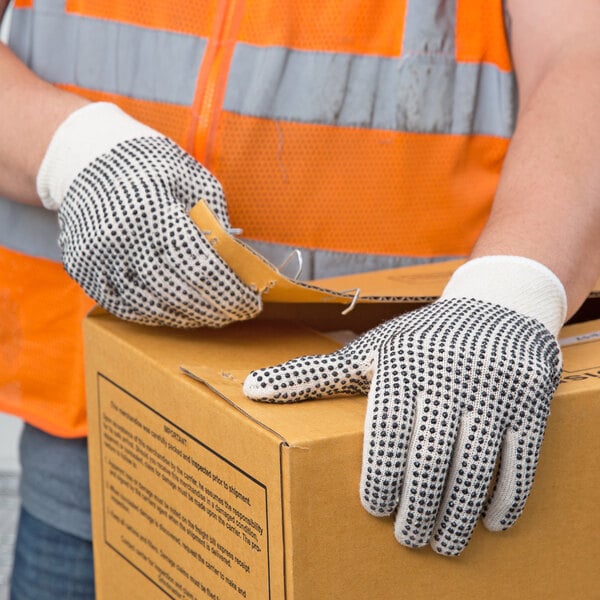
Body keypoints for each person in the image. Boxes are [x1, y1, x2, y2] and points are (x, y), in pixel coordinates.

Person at [1, 0, 598, 597]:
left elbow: (581, 54)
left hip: (407, 429)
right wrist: (74, 150)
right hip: (109, 431)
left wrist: (508, 291)